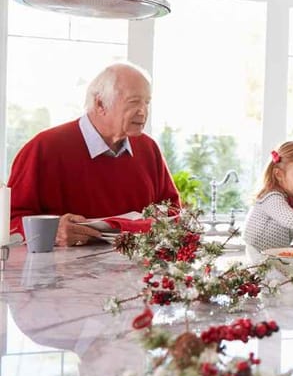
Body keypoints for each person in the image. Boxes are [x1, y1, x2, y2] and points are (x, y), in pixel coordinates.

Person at [8, 62, 180, 247]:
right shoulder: (44, 148)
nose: (143, 111)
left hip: (137, 272)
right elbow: (9, 222)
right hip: (62, 273)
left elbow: (173, 212)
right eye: (133, 102)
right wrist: (52, 231)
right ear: (100, 104)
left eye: (147, 102)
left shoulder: (148, 148)